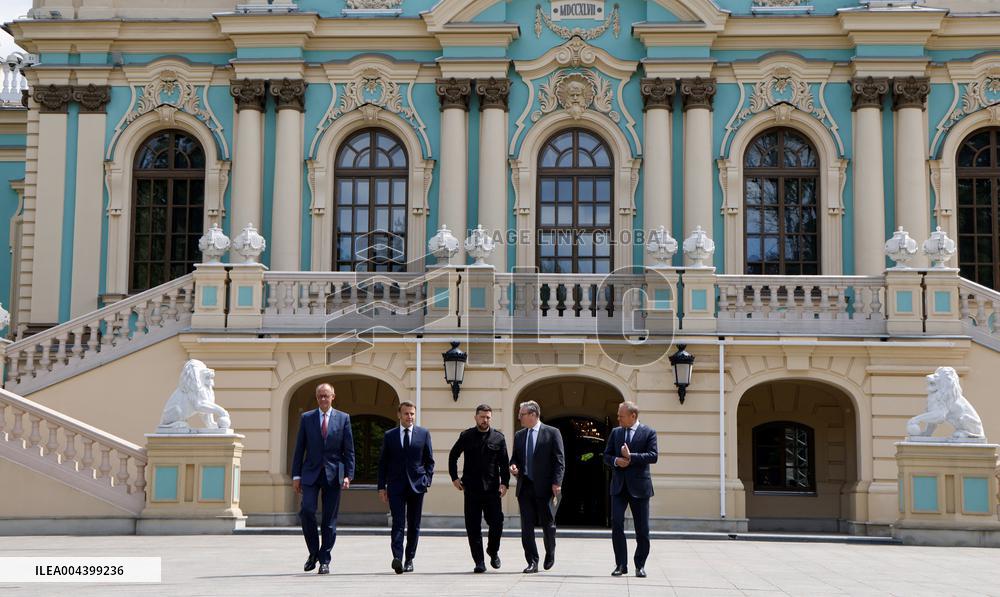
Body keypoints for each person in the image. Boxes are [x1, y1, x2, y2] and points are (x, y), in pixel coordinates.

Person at [291, 383, 355, 575]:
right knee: (307, 511)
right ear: (316, 397)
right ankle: (313, 553)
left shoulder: (343, 418)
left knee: (329, 520)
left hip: (334, 475)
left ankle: (324, 559)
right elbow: (299, 449)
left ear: (333, 396)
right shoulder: (307, 418)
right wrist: (296, 475)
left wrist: (348, 475)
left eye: (326, 396)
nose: (323, 399)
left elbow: (349, 450)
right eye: (320, 396)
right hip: (310, 473)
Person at [448, 404, 510, 573]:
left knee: (497, 522)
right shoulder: (466, 436)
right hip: (472, 489)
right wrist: (454, 478)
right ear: (475, 417)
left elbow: (504, 463)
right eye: (482, 417)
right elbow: (453, 456)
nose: (485, 420)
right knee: (473, 526)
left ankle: (493, 550)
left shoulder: (498, 438)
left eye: (488, 417)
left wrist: (505, 483)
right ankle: (479, 562)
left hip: (492, 489)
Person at [377, 401, 434, 574]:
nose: (409, 417)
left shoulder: (423, 434)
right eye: (406, 414)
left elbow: (429, 460)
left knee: (414, 524)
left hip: (417, 486)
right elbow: (383, 463)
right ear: (399, 415)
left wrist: (427, 480)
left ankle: (410, 558)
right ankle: (397, 557)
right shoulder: (390, 435)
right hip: (396, 486)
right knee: (398, 523)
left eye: (412, 414)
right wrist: (381, 487)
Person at [603, 400, 658, 578]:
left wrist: (631, 456)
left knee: (642, 530)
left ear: (633, 416)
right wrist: (616, 461)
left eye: (621, 415)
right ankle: (621, 564)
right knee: (617, 525)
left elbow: (653, 456)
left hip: (640, 488)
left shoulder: (649, 432)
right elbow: (606, 455)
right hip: (619, 487)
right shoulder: (616, 432)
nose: (618, 418)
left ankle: (640, 565)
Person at [509, 400, 565, 574]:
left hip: (546, 487)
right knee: (526, 526)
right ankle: (532, 561)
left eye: (522, 415)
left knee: (548, 525)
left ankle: (550, 552)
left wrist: (557, 482)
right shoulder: (519, 435)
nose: (519, 418)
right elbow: (515, 458)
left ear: (533, 415)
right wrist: (513, 466)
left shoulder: (552, 433)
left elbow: (559, 460)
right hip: (525, 486)